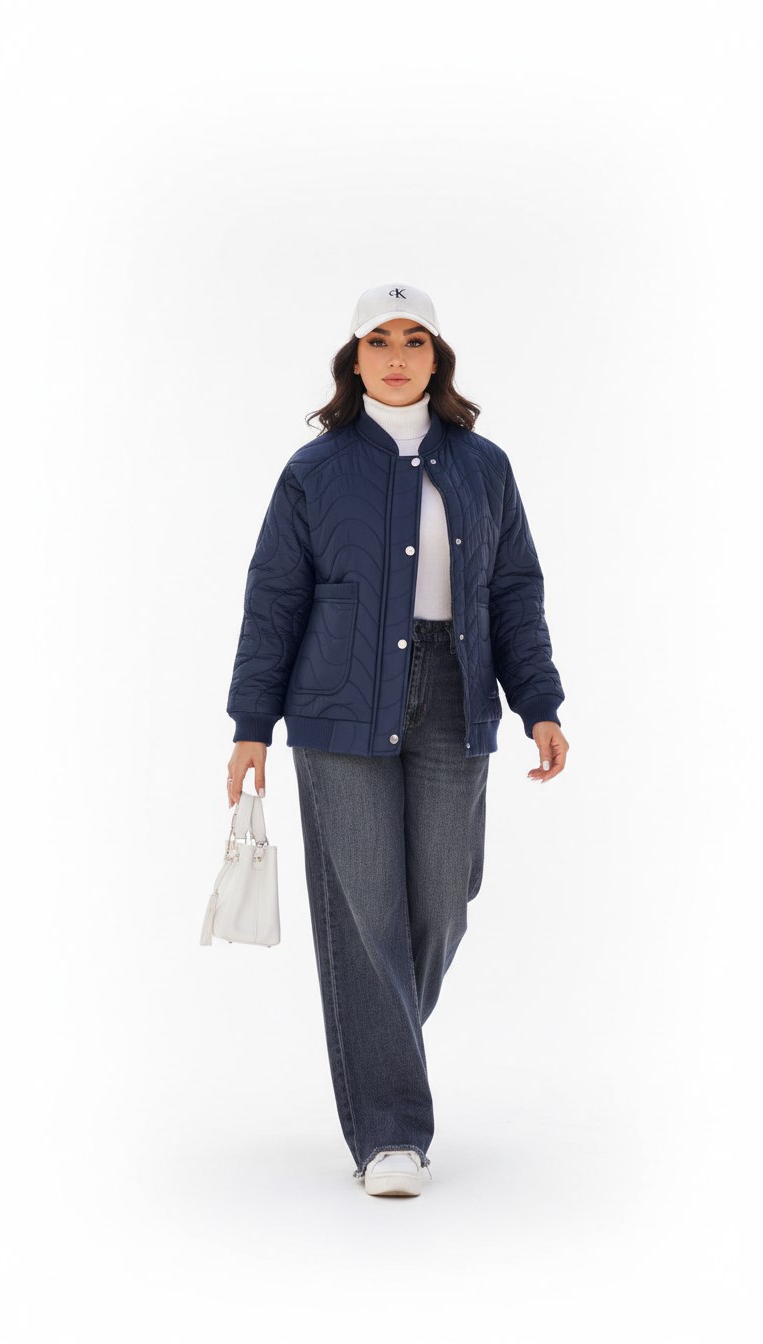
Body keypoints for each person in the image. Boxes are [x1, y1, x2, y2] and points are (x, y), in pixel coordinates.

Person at [225, 282, 569, 1197]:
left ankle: (378, 1043)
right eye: (379, 340)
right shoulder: (314, 470)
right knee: (363, 909)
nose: (396, 357)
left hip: (457, 693)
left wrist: (539, 703)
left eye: (415, 340)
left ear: (437, 358)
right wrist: (251, 723)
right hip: (338, 703)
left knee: (443, 899)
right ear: (354, 359)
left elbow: (514, 591)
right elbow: (274, 598)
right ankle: (390, 1133)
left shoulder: (484, 466)